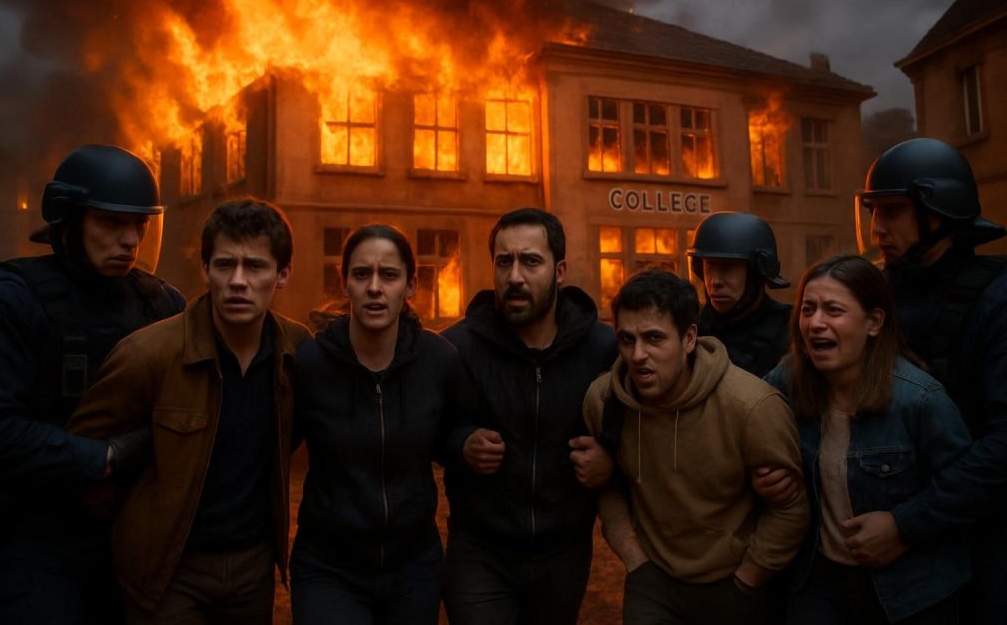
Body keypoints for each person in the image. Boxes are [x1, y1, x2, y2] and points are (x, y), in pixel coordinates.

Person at [68, 198, 309, 624]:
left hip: (252, 569)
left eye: (255, 266)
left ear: (282, 275)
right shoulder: (148, 354)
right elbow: (80, 456)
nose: (238, 281)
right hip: (168, 572)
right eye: (225, 265)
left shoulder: (296, 350)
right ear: (205, 270)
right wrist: (136, 528)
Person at [0, 144, 185, 623]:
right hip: (42, 541)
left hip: (136, 540)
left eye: (139, 224)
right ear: (69, 221)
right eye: (110, 222)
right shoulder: (11, 300)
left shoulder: (162, 305)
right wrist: (105, 458)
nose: (130, 240)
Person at [583, 268, 808, 624]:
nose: (637, 355)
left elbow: (791, 508)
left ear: (689, 339)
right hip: (653, 582)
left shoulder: (751, 407)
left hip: (735, 584)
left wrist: (749, 577)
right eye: (626, 339)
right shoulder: (604, 401)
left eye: (654, 338)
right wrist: (634, 559)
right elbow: (607, 487)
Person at [765, 254, 971, 623]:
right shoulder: (789, 381)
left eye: (833, 310)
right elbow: (743, 415)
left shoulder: (920, 400)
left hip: (912, 591)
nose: (815, 322)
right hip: (820, 582)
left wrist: (903, 526)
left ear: (874, 322)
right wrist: (764, 472)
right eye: (808, 309)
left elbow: (967, 490)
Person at [441, 207, 618, 625]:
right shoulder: (456, 349)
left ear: (560, 271)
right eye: (504, 261)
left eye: (531, 261)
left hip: (564, 552)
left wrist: (610, 460)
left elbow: (638, 429)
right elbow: (425, 428)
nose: (515, 276)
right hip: (480, 551)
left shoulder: (603, 349)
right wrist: (460, 444)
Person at [856, 137, 1007, 623]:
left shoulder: (996, 299)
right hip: (880, 537)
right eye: (873, 211)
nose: (877, 227)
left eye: (893, 211)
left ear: (939, 213)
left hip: (982, 536)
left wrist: (907, 524)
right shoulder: (874, 293)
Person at [290, 224, 468, 625]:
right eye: (361, 274)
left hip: (413, 568)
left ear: (410, 285)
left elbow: (454, 435)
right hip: (328, 567)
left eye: (389, 275)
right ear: (344, 283)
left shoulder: (439, 361)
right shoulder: (312, 363)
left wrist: (468, 442)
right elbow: (274, 443)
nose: (374, 287)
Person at [687, 211, 792, 377]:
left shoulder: (790, 330)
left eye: (728, 267)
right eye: (709, 266)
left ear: (755, 273)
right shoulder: (691, 328)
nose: (715, 281)